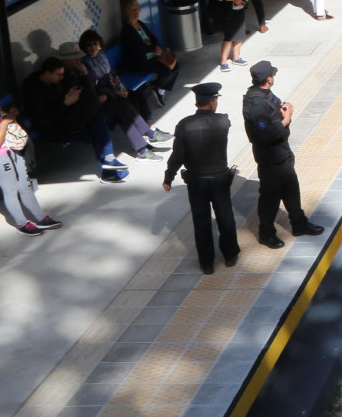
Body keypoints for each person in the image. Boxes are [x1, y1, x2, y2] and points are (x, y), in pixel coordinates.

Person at [243, 62, 324, 249]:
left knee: (291, 191)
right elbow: (266, 133)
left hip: (281, 154)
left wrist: (285, 108)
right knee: (270, 199)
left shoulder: (265, 95)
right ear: (268, 79)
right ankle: (266, 233)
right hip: (270, 157)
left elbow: (275, 111)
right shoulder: (256, 104)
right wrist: (286, 118)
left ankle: (299, 224)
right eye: (272, 75)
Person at [163, 82, 238, 274]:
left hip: (196, 180)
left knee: (201, 221)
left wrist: (168, 177)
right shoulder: (223, 121)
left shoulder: (184, 125)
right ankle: (230, 255)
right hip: (220, 178)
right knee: (225, 217)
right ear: (213, 102)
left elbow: (177, 156)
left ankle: (206, 263)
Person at [0, 86, 59, 235]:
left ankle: (41, 218)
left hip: (13, 152)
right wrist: (4, 122)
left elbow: (8, 126)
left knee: (25, 186)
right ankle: (22, 223)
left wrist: (11, 117)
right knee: (10, 191)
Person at [21, 57, 128, 179]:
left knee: (96, 117)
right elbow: (43, 119)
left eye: (62, 74)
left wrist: (69, 94)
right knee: (95, 118)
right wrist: (65, 103)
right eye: (58, 75)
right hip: (51, 126)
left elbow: (64, 98)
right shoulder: (33, 89)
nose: (61, 78)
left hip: (66, 116)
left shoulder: (54, 81)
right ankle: (108, 165)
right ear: (47, 73)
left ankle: (109, 166)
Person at [70, 34, 169, 158]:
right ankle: (147, 137)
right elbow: (94, 88)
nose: (93, 47)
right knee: (125, 107)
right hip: (104, 96)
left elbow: (112, 75)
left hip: (112, 89)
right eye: (88, 45)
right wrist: (116, 93)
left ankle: (148, 132)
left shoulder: (101, 56)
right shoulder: (84, 65)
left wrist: (120, 88)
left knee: (138, 96)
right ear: (84, 48)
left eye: (95, 44)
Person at [119, 0, 179, 96]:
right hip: (140, 61)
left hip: (151, 56)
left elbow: (152, 37)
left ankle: (160, 88)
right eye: (133, 10)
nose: (136, 12)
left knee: (176, 65)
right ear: (126, 12)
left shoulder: (140, 23)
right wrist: (153, 49)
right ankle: (156, 86)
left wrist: (157, 46)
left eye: (137, 9)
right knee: (166, 71)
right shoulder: (127, 30)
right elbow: (137, 49)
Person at [214, 0, 250, 71]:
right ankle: (223, 61)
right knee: (228, 37)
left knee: (239, 35)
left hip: (240, 10)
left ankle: (236, 57)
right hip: (228, 12)